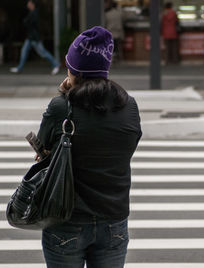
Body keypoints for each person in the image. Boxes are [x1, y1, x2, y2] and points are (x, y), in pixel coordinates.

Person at [37, 26, 142, 267]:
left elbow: (42, 154)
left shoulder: (61, 107)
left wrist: (63, 96)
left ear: (74, 71)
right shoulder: (129, 106)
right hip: (114, 220)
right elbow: (128, 147)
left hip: (67, 220)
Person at [10, 0, 60, 75]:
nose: (28, 5)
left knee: (43, 53)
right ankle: (20, 68)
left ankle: (56, 64)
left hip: (34, 38)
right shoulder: (32, 13)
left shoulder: (34, 13)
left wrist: (26, 22)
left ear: (33, 4)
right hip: (30, 37)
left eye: (29, 3)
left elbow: (28, 23)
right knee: (24, 51)